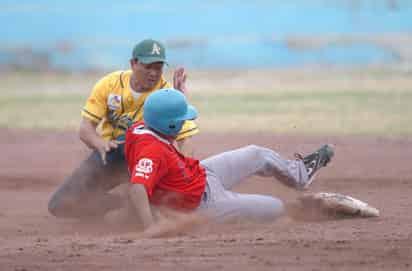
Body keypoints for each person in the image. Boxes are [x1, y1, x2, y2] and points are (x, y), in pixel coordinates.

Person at [122, 89, 335, 235]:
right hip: (204, 204)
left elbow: (161, 117)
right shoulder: (151, 151)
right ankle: (302, 210)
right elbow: (138, 187)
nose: (185, 122)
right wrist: (150, 227)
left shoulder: (142, 125)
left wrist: (178, 96)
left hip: (203, 173)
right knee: (275, 207)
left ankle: (300, 174)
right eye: (181, 120)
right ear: (169, 125)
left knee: (256, 154)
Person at [48, 39, 199, 219]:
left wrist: (185, 177)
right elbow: (85, 129)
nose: (153, 73)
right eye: (148, 66)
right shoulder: (110, 84)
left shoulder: (166, 94)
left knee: (135, 140)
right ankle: (122, 205)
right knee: (60, 204)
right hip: (110, 154)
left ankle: (142, 205)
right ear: (133, 63)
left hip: (149, 159)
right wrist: (99, 142)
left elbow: (184, 139)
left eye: (158, 68)